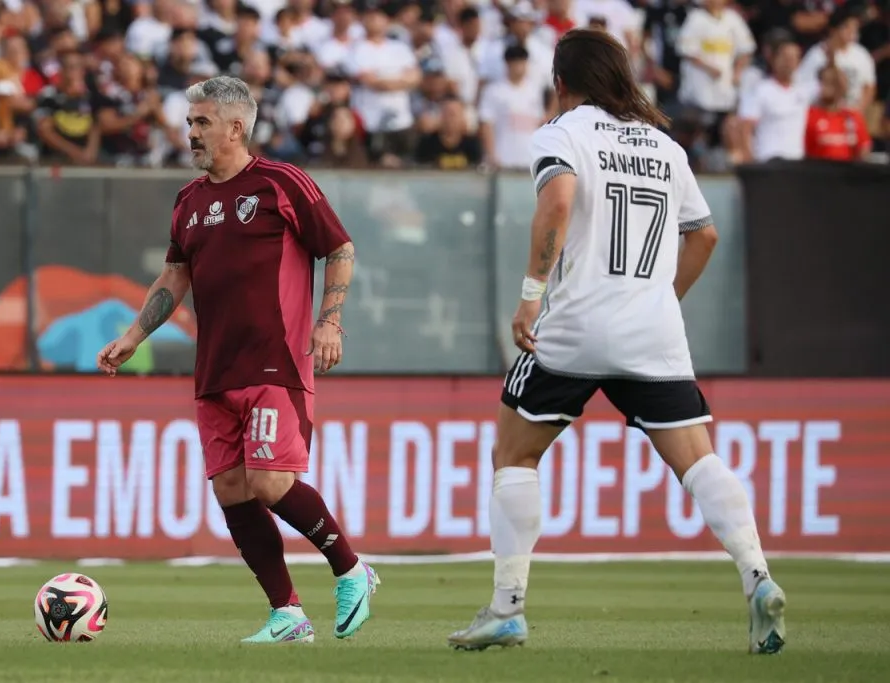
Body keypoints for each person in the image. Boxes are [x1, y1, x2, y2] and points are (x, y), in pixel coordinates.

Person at [447, 29, 786, 655]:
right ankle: (758, 576)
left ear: (561, 81)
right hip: (652, 330)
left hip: (574, 324)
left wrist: (528, 294)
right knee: (699, 461)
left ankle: (507, 608)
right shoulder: (665, 145)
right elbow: (704, 237)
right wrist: (659, 299)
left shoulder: (562, 131)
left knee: (515, 456)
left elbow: (558, 201)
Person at [95, 75, 378, 644]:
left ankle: (351, 570)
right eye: (189, 122)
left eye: (201, 122)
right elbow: (176, 275)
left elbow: (340, 249)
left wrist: (330, 320)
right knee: (232, 490)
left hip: (274, 362)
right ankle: (287, 614)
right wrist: (134, 335)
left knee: (270, 482)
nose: (191, 133)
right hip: (215, 370)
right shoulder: (188, 201)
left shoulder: (281, 183)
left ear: (236, 127)